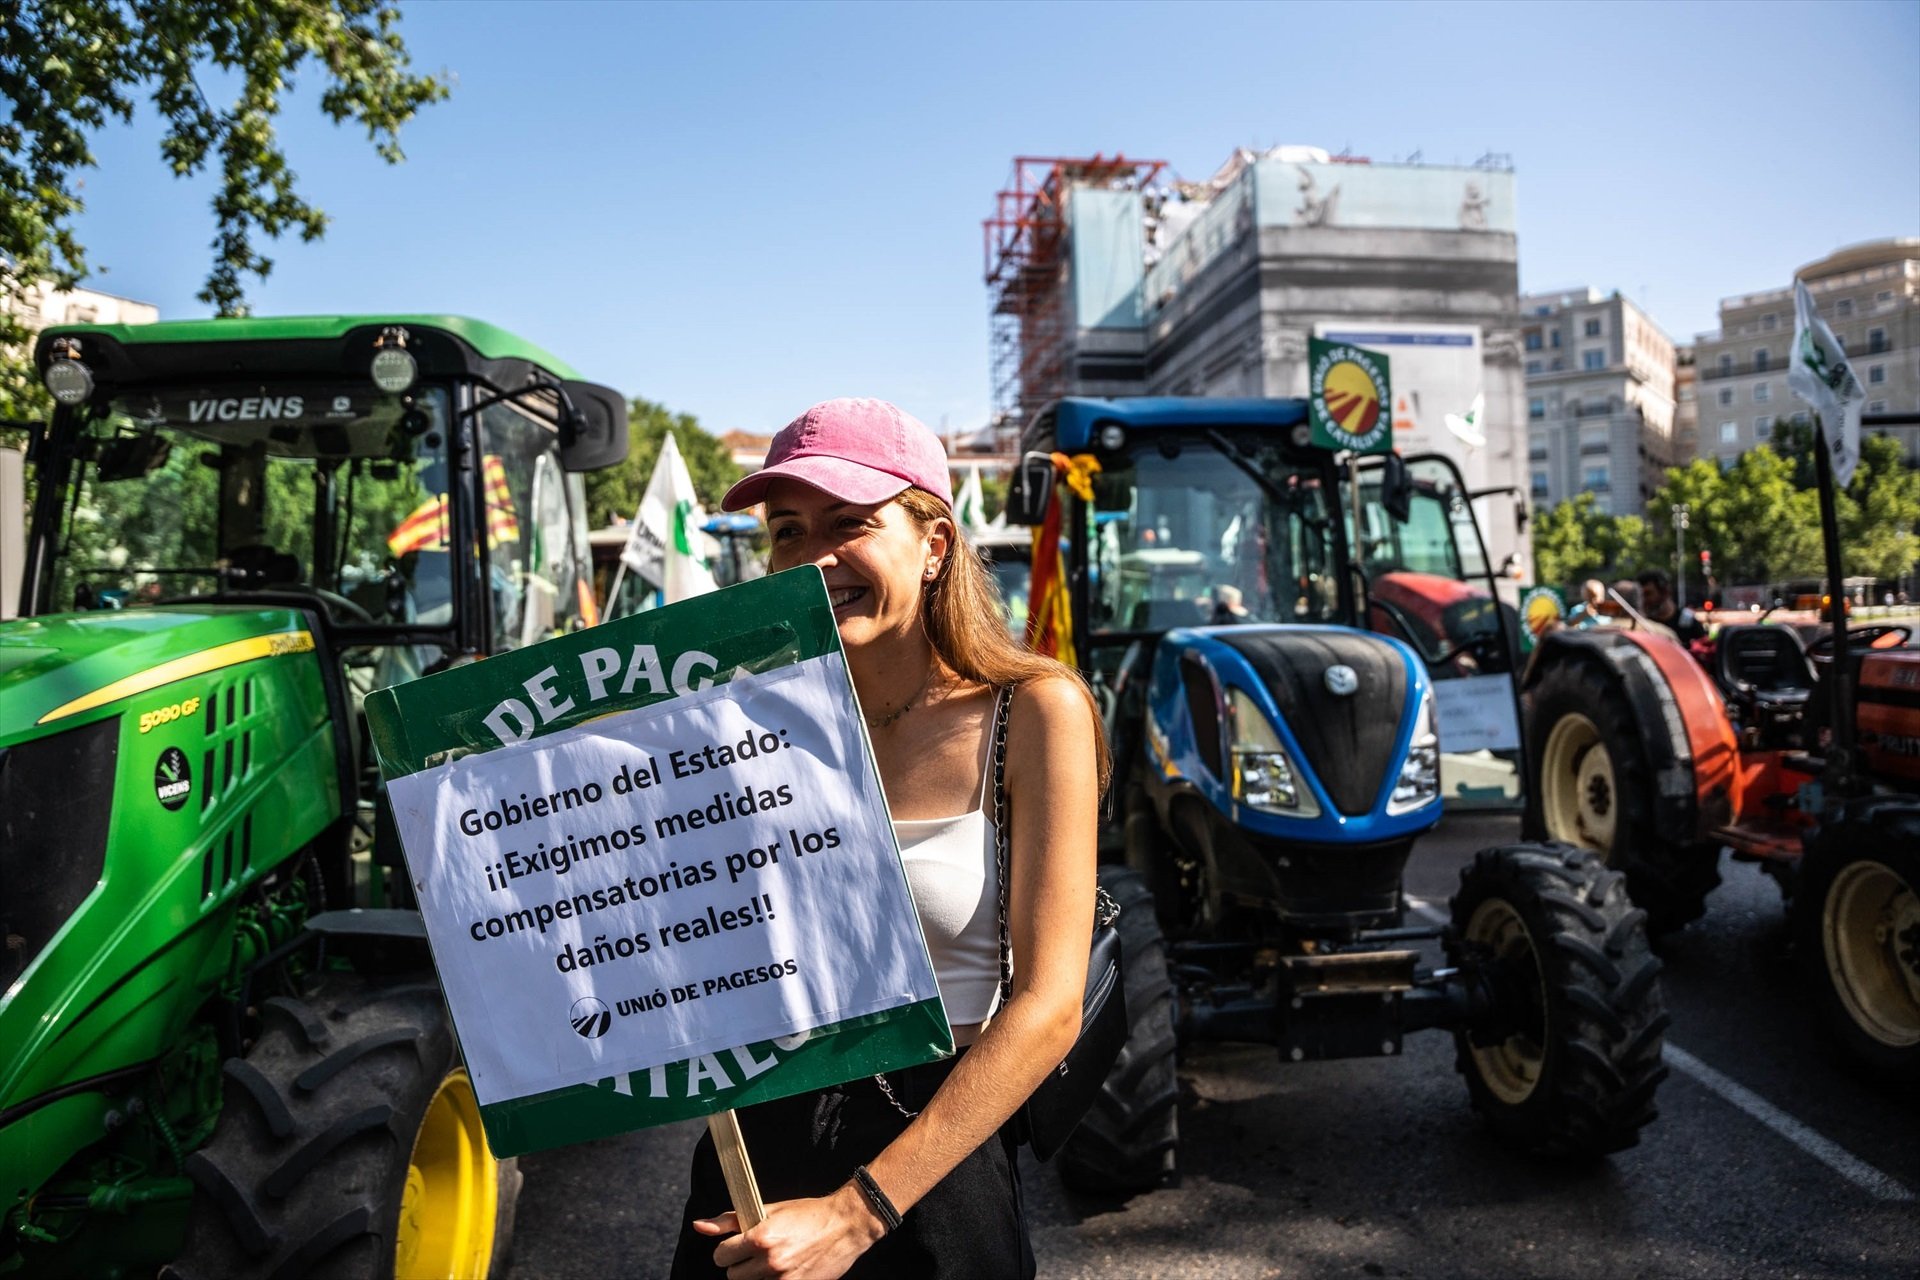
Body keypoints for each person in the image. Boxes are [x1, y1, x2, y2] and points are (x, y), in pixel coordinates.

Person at [672, 398, 1107, 1279]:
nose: (813, 556)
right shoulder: (729, 723)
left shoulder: (1034, 714)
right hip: (753, 1143)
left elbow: (1050, 1007)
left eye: (849, 524)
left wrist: (857, 1212)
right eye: (788, 530)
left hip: (933, 1158)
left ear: (934, 543)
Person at [1636, 568, 1708, 645]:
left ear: (1665, 592)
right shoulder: (1643, 625)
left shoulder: (1688, 621)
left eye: (1648, 594)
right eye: (1640, 595)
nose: (1644, 600)